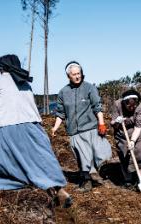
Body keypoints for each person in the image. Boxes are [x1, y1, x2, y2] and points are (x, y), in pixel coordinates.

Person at [0, 54, 71, 208]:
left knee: (5, 158)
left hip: (7, 126)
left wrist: (4, 110)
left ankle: (20, 181)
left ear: (1, 68)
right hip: (33, 125)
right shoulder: (25, 82)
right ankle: (58, 188)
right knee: (41, 156)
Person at [51, 61, 112, 192]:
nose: (77, 76)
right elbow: (60, 113)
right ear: (69, 76)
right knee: (82, 157)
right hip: (74, 131)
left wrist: (101, 123)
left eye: (79, 73)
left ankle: (99, 175)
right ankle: (86, 182)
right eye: (74, 74)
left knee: (100, 154)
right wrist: (55, 127)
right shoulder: (63, 92)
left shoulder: (89, 88)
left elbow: (97, 107)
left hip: (90, 128)